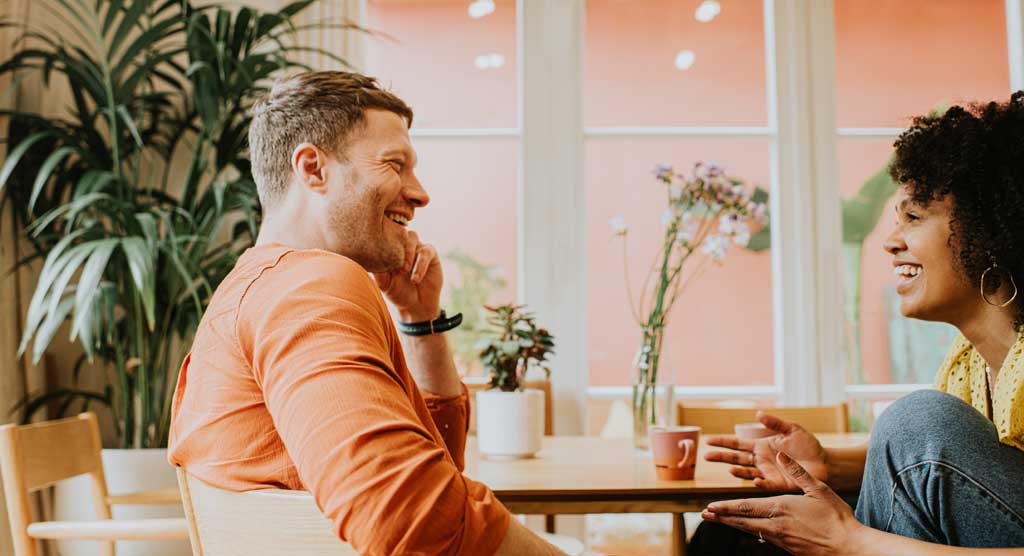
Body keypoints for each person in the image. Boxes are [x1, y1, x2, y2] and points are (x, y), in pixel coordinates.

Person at [167, 71, 562, 555]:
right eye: (395, 164)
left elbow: (438, 467)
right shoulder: (309, 287)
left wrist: (420, 320)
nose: (420, 193)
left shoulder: (254, 286)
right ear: (313, 169)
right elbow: (409, 520)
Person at [697, 92, 1024, 554]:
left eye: (913, 217)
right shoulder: (966, 363)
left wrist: (851, 542)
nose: (890, 241)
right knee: (731, 535)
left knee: (917, 421)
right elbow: (944, 476)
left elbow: (922, 452)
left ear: (986, 228)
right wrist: (825, 464)